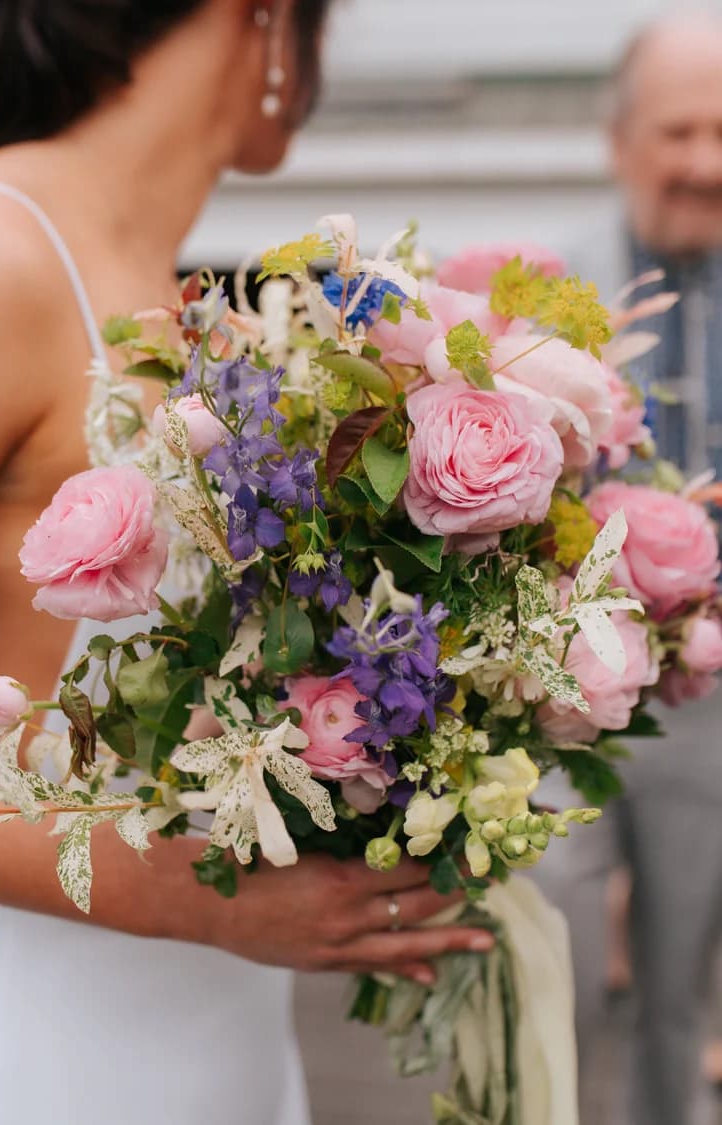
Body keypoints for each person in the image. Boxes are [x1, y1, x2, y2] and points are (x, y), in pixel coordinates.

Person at [0, 3, 495, 1123]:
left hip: (217, 1039)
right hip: (30, 1042)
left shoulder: (204, 316)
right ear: (259, 19)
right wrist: (197, 904)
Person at [534, 12, 722, 1125]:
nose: (703, 162)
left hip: (715, 701)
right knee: (548, 963)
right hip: (558, 697)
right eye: (677, 131)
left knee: (683, 987)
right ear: (620, 141)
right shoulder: (548, 293)